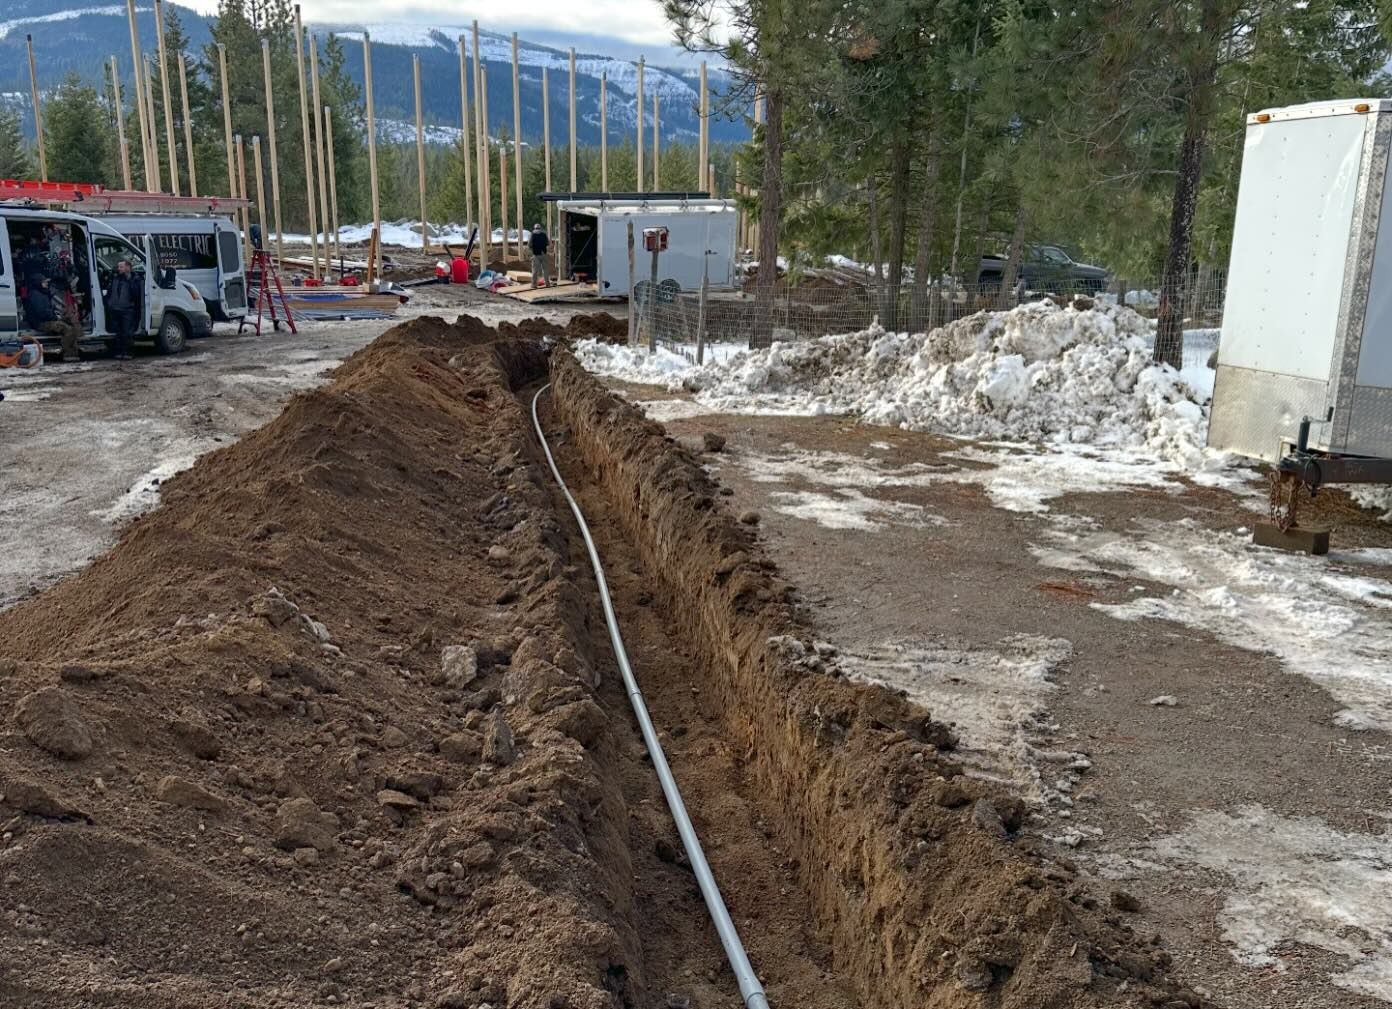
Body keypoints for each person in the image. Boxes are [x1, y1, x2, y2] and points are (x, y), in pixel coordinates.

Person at [22, 274, 83, 362]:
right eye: (44, 282)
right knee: (66, 328)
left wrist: (57, 314)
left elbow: (48, 309)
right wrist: (55, 317)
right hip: (41, 323)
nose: (47, 283)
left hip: (47, 319)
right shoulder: (35, 295)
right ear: (38, 283)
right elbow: (42, 313)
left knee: (71, 321)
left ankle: (74, 346)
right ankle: (69, 354)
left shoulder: (42, 292)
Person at [104, 259, 141, 361]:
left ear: (128, 267)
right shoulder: (115, 278)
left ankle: (128, 352)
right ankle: (119, 352)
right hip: (115, 309)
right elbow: (109, 291)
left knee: (127, 332)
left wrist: (129, 279)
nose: (118, 269)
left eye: (121, 267)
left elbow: (136, 294)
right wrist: (109, 303)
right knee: (118, 332)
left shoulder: (134, 278)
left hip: (127, 309)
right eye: (118, 266)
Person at [529, 224, 551, 289]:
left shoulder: (532, 234)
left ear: (534, 228)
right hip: (543, 253)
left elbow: (529, 245)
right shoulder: (544, 234)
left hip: (536, 254)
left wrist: (533, 248)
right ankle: (547, 284)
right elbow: (548, 243)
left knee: (535, 270)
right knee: (545, 270)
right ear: (540, 228)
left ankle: (534, 285)